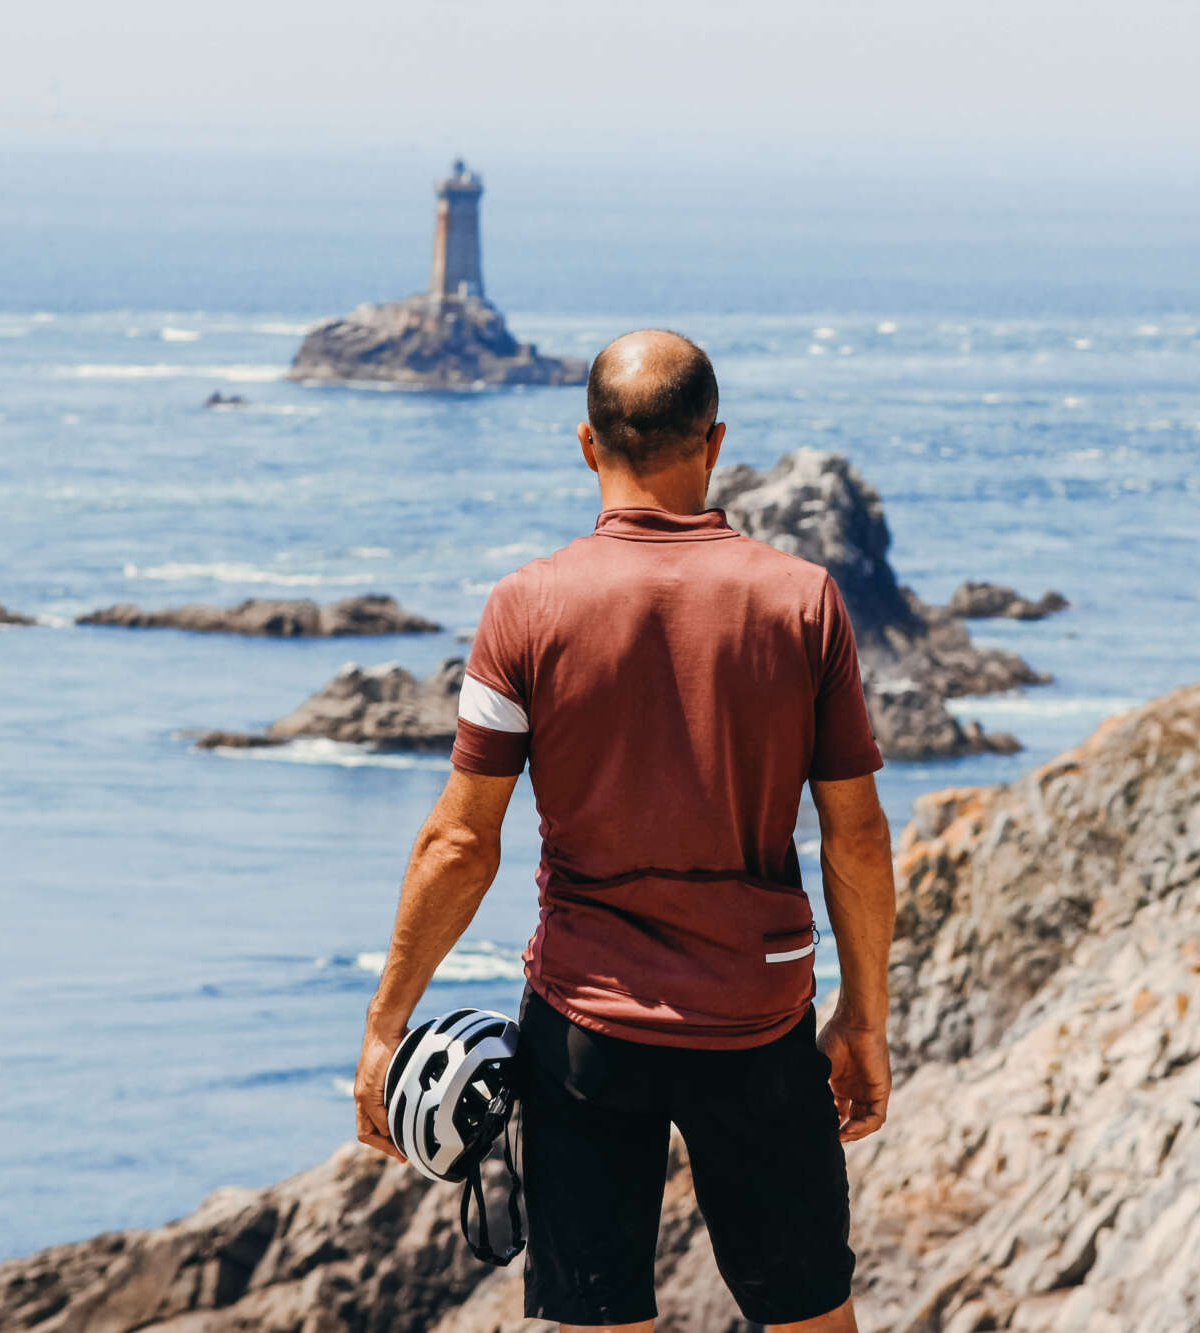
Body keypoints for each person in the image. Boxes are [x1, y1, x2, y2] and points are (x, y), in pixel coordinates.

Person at [353, 329, 897, 1332]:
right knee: (812, 1318)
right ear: (714, 440)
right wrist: (862, 1019)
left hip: (583, 1027)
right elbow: (855, 837)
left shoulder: (524, 607)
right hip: (760, 1017)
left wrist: (388, 1025)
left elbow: (461, 842)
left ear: (586, 445)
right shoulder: (801, 601)